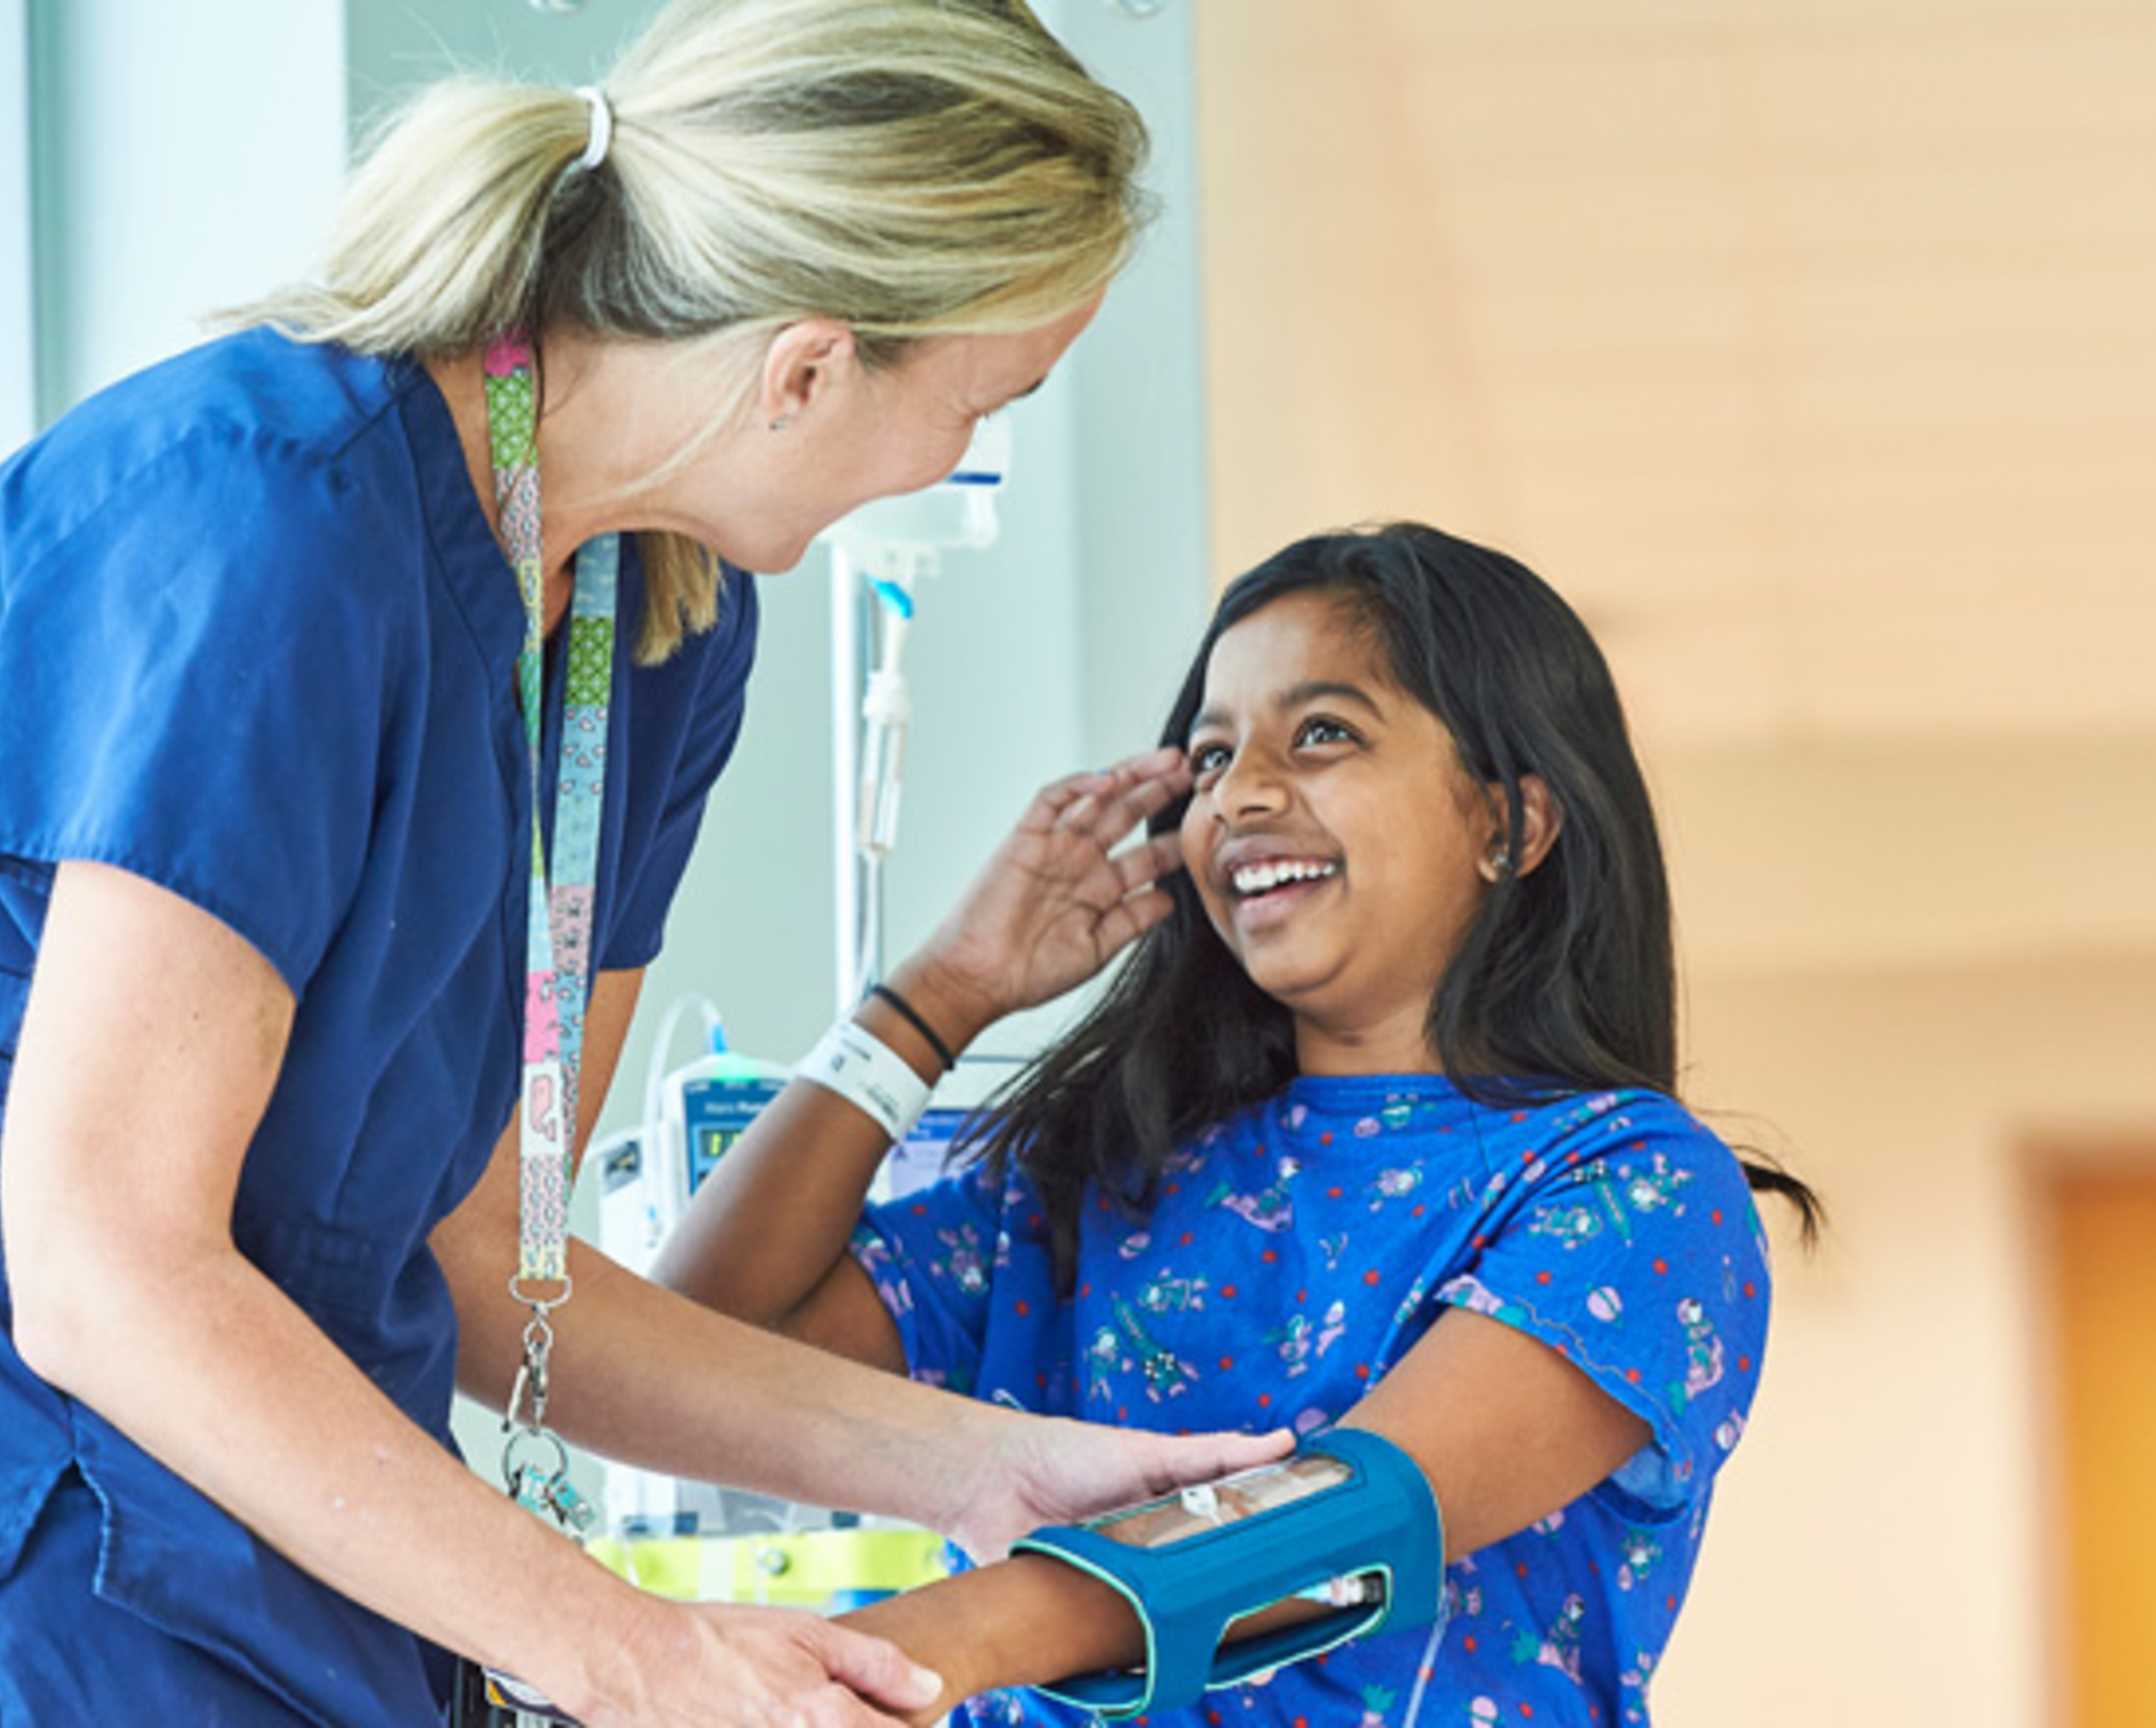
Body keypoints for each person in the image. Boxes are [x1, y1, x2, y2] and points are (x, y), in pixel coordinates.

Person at [0, 3, 1289, 1724]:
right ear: (811, 365)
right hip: (69, 1585)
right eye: (986, 401)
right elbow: (101, 1267)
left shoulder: (660, 630)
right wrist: (633, 1647)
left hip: (315, 1619)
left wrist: (991, 1466)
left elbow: (484, 1258)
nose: (959, 464)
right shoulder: (271, 515)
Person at [659, 523, 1822, 1726]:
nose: (1245, 793)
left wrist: (866, 1659)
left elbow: (1349, 1516)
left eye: (1323, 733)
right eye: (1211, 756)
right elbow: (695, 1354)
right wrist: (941, 993)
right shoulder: (1106, 1178)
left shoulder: (1633, 1185)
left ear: (1507, 822)